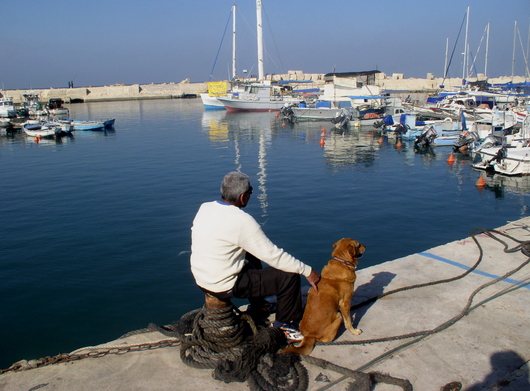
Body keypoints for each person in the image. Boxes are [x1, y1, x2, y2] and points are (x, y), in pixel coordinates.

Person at [190, 171, 320, 342]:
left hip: (202, 278)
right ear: (243, 197)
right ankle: (285, 325)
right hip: (223, 285)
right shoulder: (241, 220)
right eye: (250, 192)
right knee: (289, 275)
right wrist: (308, 271)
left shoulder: (205, 207)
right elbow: (274, 256)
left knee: (250, 252)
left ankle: (259, 306)